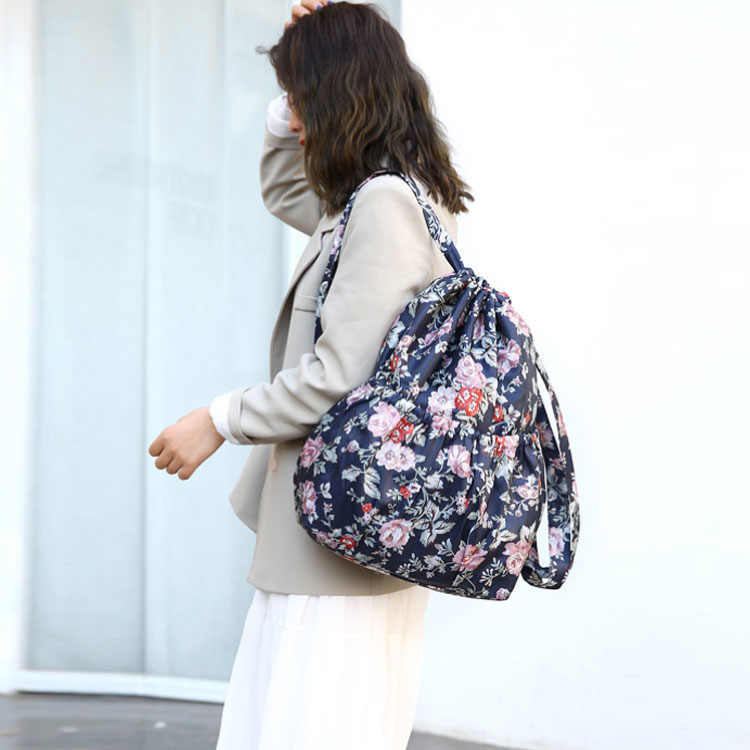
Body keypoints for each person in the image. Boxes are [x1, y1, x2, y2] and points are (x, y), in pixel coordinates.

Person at [148, 2, 474, 747]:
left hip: (335, 532)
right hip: (345, 528)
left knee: (310, 723)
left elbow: (337, 375)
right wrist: (288, 93)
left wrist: (218, 419)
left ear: (336, 96)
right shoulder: (393, 194)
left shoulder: (385, 204)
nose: (291, 119)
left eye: (297, 98)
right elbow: (288, 193)